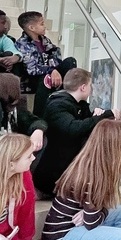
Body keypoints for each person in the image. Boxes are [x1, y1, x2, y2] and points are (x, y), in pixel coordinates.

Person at [33, 68, 114, 199]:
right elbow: (74, 128)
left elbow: (87, 124)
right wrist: (104, 116)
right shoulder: (57, 105)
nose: (91, 89)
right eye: (89, 85)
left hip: (66, 167)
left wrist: (96, 114)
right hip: (52, 172)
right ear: (83, 87)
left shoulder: (80, 105)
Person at [14, 11, 76, 112]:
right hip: (34, 79)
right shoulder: (23, 44)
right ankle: (39, 115)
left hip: (51, 73)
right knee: (45, 78)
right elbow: (32, 69)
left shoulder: (45, 41)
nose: (45, 26)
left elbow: (55, 56)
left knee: (70, 62)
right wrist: (51, 70)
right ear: (32, 28)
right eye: (42, 24)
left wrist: (54, 70)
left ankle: (70, 97)